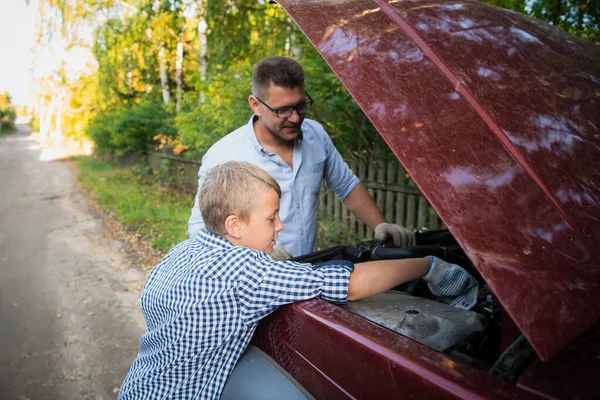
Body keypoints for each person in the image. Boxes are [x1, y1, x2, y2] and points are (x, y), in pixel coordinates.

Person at [119, 161, 478, 400]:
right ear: (235, 226)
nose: (281, 227)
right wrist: (427, 265)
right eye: (272, 218)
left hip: (140, 387)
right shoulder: (248, 271)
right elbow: (350, 283)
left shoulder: (181, 252)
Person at [188, 56, 415, 259]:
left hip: (305, 271)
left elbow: (346, 185)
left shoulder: (316, 135)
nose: (296, 118)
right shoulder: (226, 154)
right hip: (255, 283)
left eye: (301, 106)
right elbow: (200, 230)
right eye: (283, 110)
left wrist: (380, 224)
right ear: (255, 105)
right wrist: (252, 255)